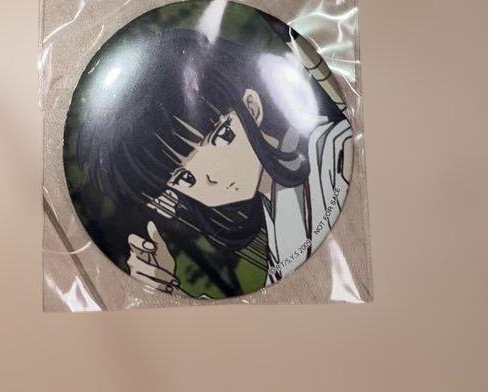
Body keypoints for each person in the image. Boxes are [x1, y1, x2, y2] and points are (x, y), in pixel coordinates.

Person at [71, 27, 351, 296]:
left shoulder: (331, 153)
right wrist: (168, 284)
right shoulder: (275, 217)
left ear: (251, 107)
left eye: (221, 136)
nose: (213, 176)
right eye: (185, 178)